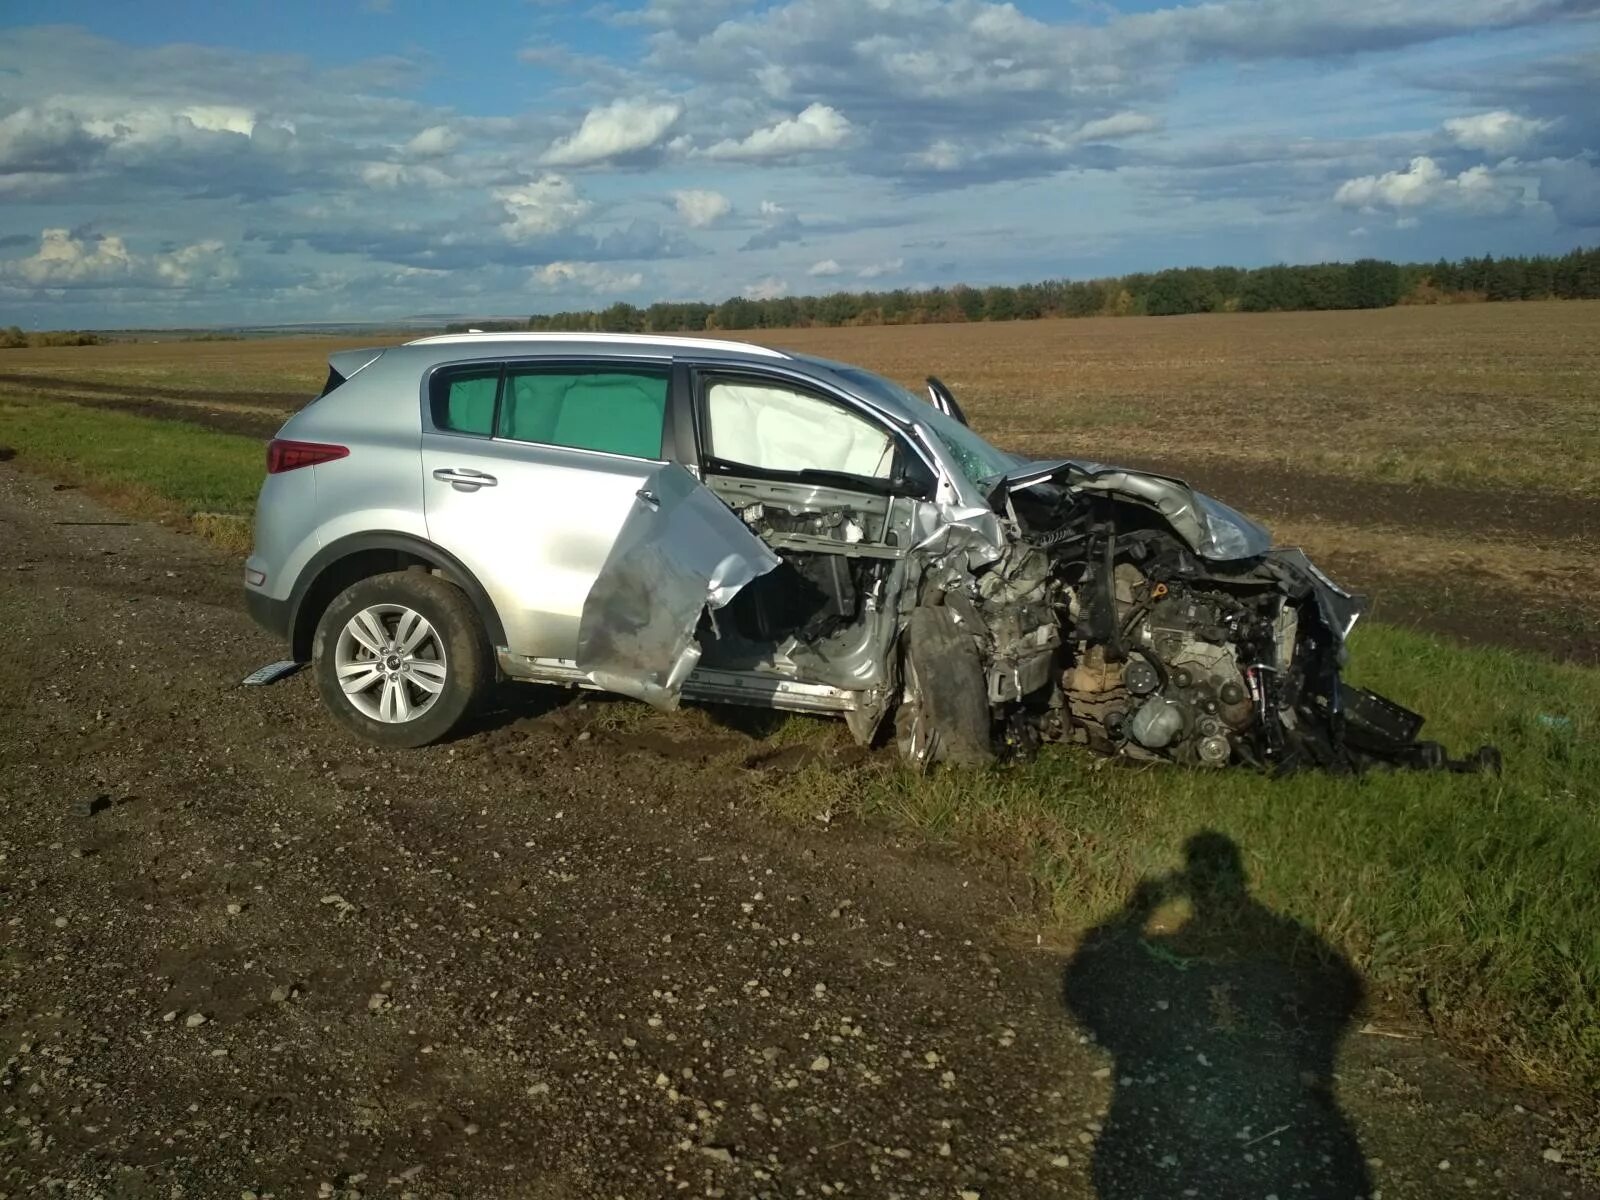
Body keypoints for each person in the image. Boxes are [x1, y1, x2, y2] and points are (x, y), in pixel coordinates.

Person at [1062, 831, 1372, 1200]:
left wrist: (1141, 906)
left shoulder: (1266, 937)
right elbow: (1345, 987)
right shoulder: (1283, 933)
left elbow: (1080, 986)